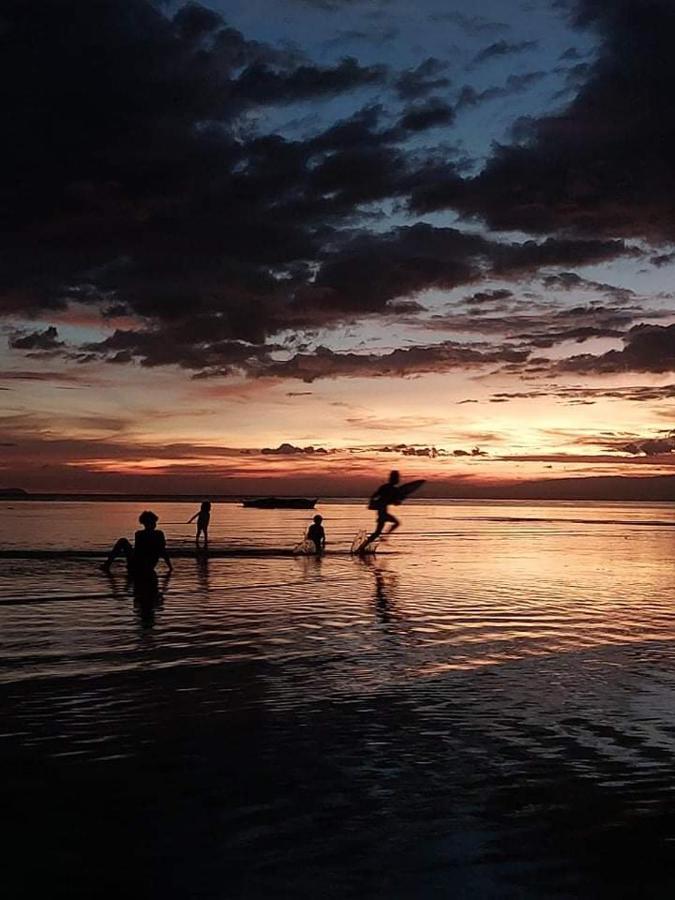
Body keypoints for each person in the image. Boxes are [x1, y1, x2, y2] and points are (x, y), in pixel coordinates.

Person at [102, 510, 172, 574]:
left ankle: (107, 564)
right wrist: (170, 567)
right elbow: (162, 551)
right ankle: (107, 565)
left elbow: (162, 550)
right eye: (153, 522)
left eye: (154, 522)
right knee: (123, 540)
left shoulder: (148, 534)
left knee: (122, 541)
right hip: (143, 563)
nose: (154, 524)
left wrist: (170, 567)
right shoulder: (148, 534)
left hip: (145, 564)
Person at [367, 470, 401, 545]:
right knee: (395, 523)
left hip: (382, 511)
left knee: (377, 532)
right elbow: (394, 501)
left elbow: (393, 501)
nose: (398, 480)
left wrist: (372, 503)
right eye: (397, 478)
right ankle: (384, 537)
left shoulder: (387, 487)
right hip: (382, 512)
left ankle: (365, 545)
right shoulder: (391, 489)